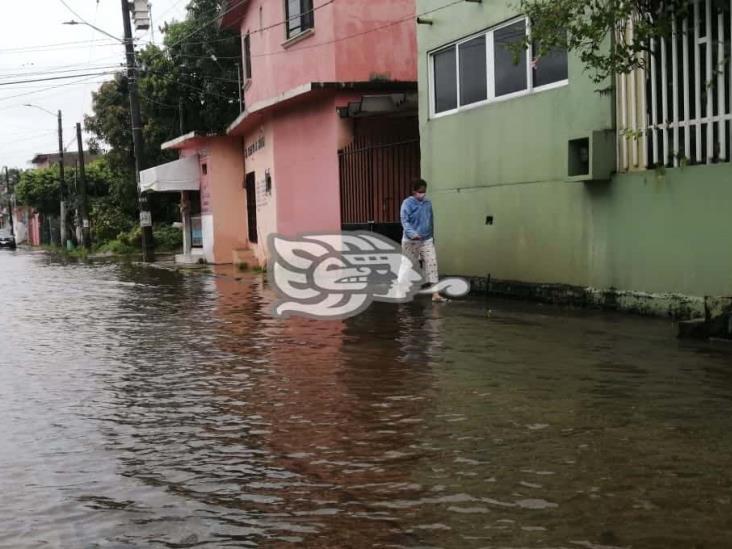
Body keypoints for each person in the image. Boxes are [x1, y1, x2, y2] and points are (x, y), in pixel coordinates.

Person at [398, 179, 447, 302]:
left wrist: (432, 237)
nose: (422, 194)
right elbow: (405, 221)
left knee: (432, 264)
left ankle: (435, 294)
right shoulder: (407, 204)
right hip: (410, 240)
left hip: (426, 239)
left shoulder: (427, 204)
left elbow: (431, 221)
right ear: (414, 191)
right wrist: (412, 234)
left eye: (424, 191)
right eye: (420, 192)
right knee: (407, 265)